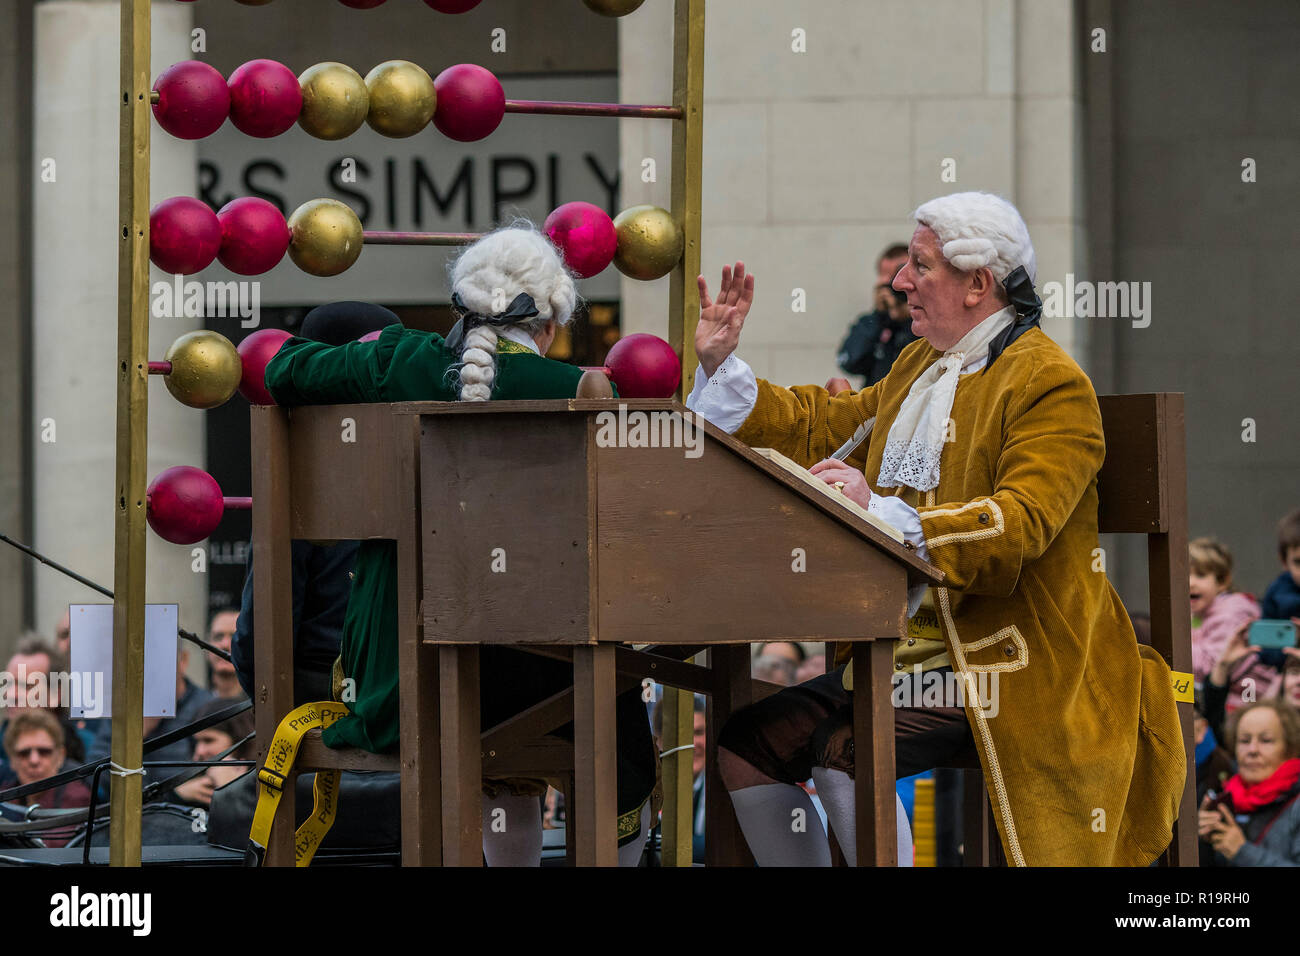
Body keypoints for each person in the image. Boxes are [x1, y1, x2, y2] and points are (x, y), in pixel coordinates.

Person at [686, 190, 1183, 866]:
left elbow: (1020, 524)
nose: (899, 282)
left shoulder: (1048, 383)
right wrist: (722, 364)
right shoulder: (919, 362)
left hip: (1019, 663)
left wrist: (882, 512)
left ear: (979, 284)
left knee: (845, 754)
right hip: (908, 654)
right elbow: (824, 426)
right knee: (746, 746)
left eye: (920, 265)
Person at [262, 225, 658, 866]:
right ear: (550, 322)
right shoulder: (583, 392)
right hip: (540, 678)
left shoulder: (396, 358)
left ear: (462, 306)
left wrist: (368, 353)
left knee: (514, 701)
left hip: (401, 670)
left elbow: (283, 369)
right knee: (617, 710)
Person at [1199, 699, 1300, 866]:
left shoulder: (1296, 804)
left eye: (1266, 740)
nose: (1252, 750)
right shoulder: (1225, 799)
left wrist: (1242, 852)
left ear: (1290, 748)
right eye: (1244, 741)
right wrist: (1203, 840)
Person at [1189, 538, 1271, 709]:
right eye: (1184, 575)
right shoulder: (1198, 612)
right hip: (1225, 696)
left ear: (1222, 581)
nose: (1190, 583)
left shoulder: (1230, 613)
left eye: (1200, 575)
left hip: (1248, 698)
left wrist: (1178, 646)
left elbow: (1210, 666)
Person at [0, 709, 91, 848]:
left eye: (44, 752)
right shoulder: (4, 798)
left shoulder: (78, 797)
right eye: (24, 753)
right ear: (12, 760)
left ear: (60, 756)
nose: (34, 760)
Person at [834, 243, 916, 388]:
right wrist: (879, 316)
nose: (892, 285)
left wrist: (909, 318)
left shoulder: (925, 323)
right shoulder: (872, 322)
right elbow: (849, 362)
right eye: (884, 277)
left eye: (896, 275)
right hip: (876, 407)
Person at [174, 698, 257, 808]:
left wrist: (233, 791)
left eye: (208, 740)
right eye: (196, 742)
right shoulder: (194, 789)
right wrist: (177, 795)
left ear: (238, 740)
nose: (199, 751)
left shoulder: (260, 781)